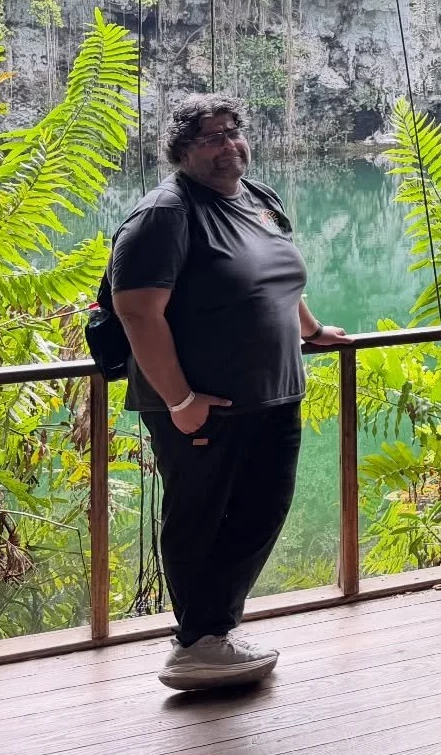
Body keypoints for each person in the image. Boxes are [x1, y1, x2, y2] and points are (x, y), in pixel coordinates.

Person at [109, 92, 348, 691]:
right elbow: (137, 311)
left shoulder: (258, 199)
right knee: (201, 516)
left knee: (261, 509)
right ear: (181, 152)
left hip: (272, 394)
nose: (226, 146)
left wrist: (312, 332)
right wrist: (181, 402)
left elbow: (277, 280)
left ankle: (216, 629)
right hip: (204, 403)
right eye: (208, 138)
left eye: (231, 132)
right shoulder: (165, 213)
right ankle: (195, 643)